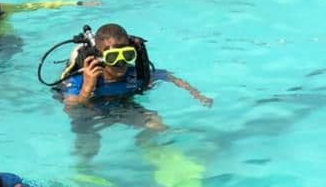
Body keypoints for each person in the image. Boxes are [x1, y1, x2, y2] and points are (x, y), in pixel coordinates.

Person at [55, 22, 212, 161]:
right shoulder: (81, 79)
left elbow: (168, 76)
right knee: (88, 148)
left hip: (121, 106)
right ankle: (84, 169)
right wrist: (87, 89)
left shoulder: (134, 73)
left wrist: (198, 95)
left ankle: (153, 148)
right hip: (89, 110)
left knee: (156, 123)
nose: (121, 62)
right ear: (99, 57)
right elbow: (70, 107)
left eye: (127, 55)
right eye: (113, 57)